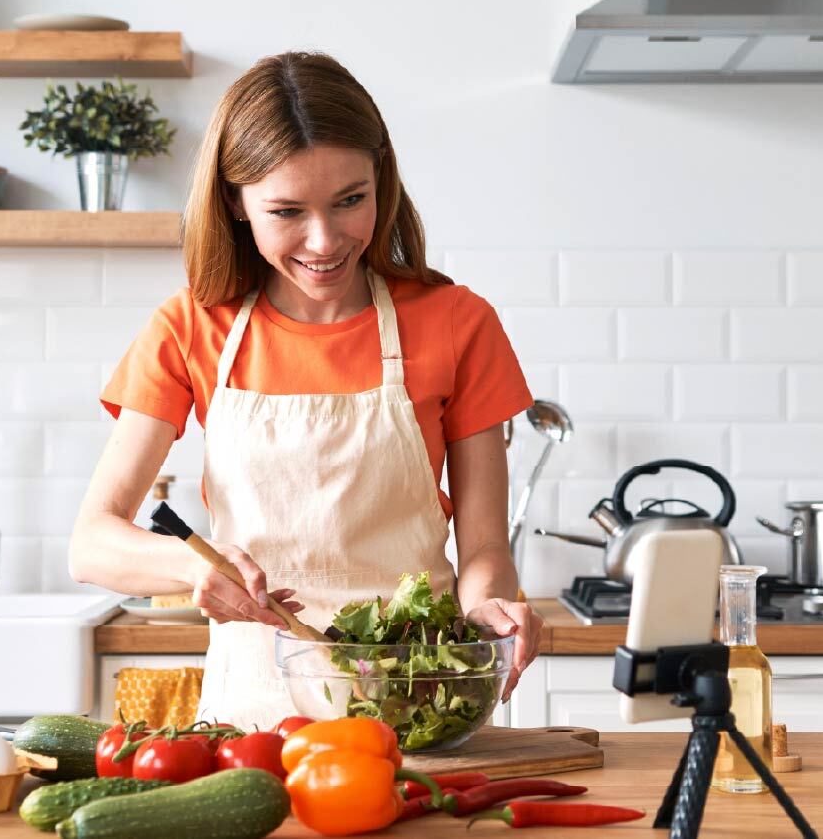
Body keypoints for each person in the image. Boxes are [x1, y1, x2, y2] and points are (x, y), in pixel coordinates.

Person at [69, 51, 543, 730]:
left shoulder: (459, 324)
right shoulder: (191, 328)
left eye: (351, 200)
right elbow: (91, 544)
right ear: (234, 202)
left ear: (381, 179)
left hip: (416, 701)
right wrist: (189, 565)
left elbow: (485, 551)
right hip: (253, 717)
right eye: (287, 210)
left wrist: (485, 608)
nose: (325, 240)